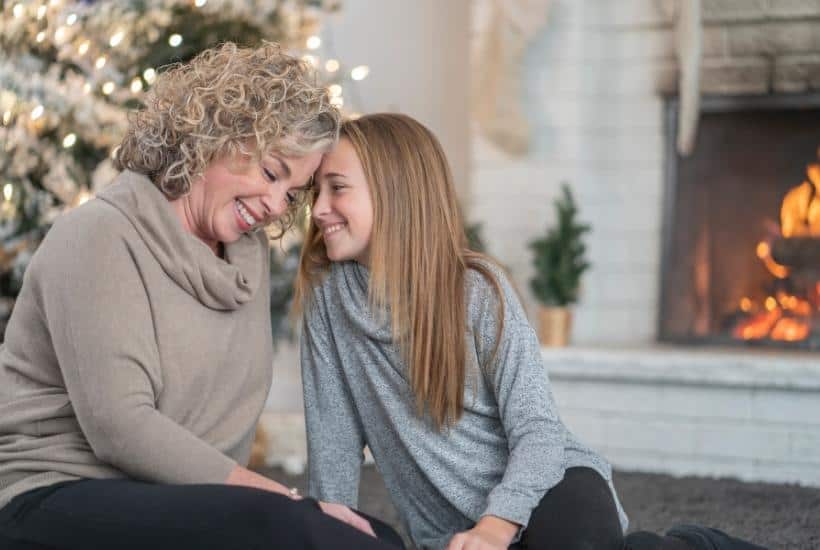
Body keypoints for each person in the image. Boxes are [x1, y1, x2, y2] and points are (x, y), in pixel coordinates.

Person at [294, 113, 770, 550]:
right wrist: (327, 531)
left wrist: (495, 527)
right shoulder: (328, 301)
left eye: (338, 188)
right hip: (454, 533)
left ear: (396, 193)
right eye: (318, 191)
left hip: (550, 486)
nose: (319, 210)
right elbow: (333, 445)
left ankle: (698, 544)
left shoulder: (477, 290)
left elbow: (538, 431)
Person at [0, 43, 403, 550]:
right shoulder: (99, 235)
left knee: (375, 536)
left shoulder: (243, 261)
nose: (278, 206)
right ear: (214, 136)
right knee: (294, 527)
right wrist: (288, 502)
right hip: (51, 493)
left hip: (173, 498)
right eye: (272, 173)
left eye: (292, 195)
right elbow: (120, 428)